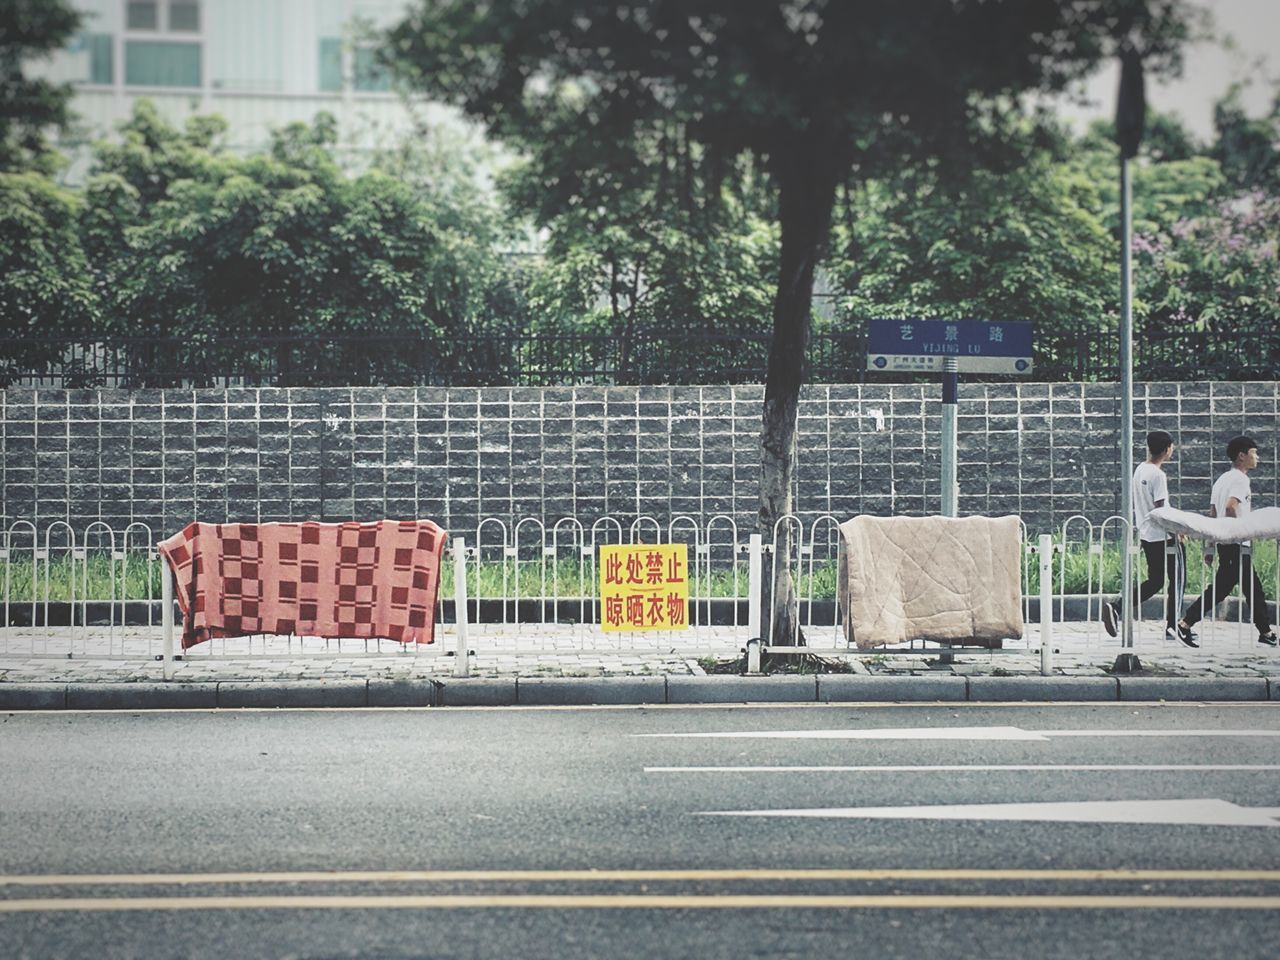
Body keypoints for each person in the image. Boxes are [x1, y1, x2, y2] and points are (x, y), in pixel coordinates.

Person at [1176, 435, 1278, 648]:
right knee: (1227, 588)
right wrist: (1238, 533)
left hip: (1225, 542)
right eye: (1254, 453)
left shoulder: (1222, 479)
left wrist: (1211, 546)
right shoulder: (1240, 479)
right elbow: (1231, 507)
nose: (1257, 457)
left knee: (1251, 588)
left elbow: (1213, 514)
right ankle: (1185, 623)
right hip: (1236, 543)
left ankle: (1265, 632)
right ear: (1242, 455)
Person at [1103, 430, 1189, 643]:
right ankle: (1173, 625)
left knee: (1156, 581)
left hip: (1147, 534)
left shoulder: (1140, 469)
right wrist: (1177, 531)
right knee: (1178, 580)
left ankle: (1117, 606)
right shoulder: (1158, 475)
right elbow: (1161, 509)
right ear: (1167, 449)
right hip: (1164, 536)